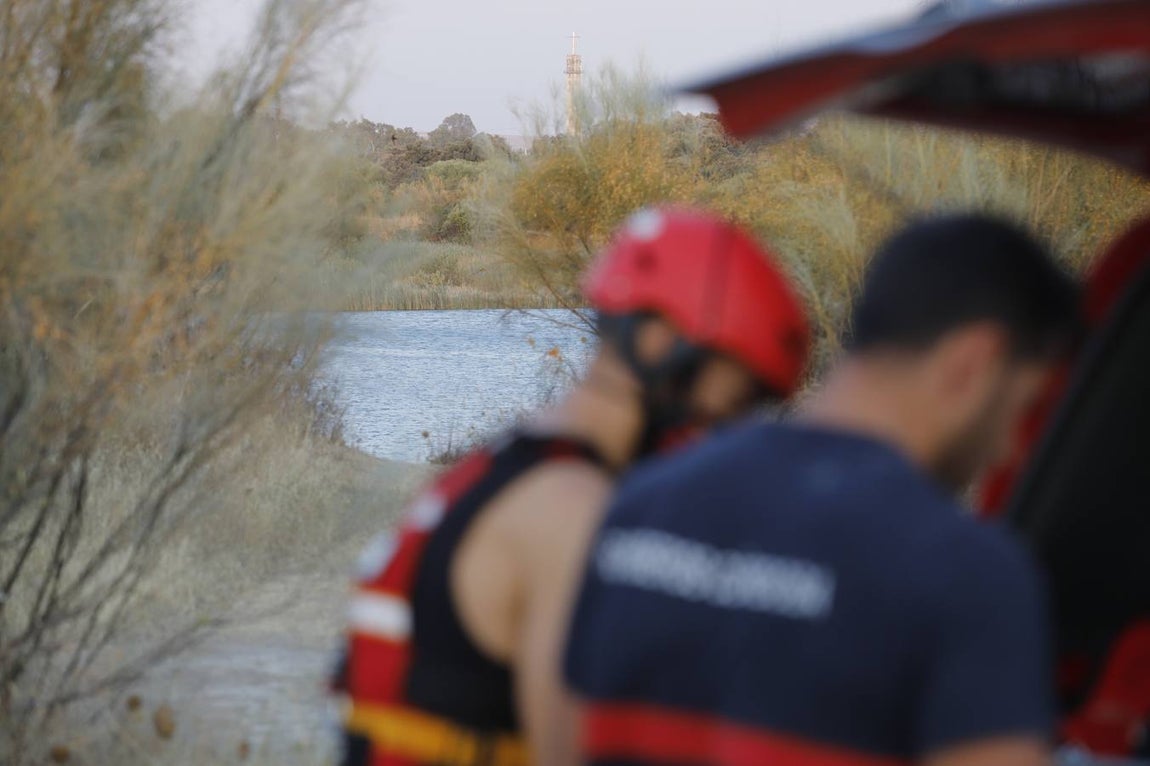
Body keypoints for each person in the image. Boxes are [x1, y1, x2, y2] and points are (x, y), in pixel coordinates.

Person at [564, 214, 1081, 766]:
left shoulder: (638, 507)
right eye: (1023, 407)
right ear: (973, 363)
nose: (1010, 449)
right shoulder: (972, 576)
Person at [330, 207, 811, 766]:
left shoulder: (508, 462)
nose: (736, 422)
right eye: (740, 392)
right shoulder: (571, 511)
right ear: (661, 340)